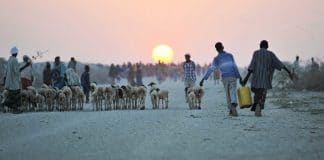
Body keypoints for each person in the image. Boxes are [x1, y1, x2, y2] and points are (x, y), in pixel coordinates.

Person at [241, 40, 293, 117]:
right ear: (267, 46)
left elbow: (251, 67)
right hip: (265, 80)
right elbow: (279, 64)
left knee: (257, 93)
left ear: (260, 46)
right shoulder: (270, 54)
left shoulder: (256, 53)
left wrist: (245, 79)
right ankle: (258, 107)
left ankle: (256, 105)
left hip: (255, 80)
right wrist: (289, 72)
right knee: (262, 95)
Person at [199, 42, 241, 116]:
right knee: (233, 90)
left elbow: (211, 68)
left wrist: (204, 79)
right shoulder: (230, 55)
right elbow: (234, 66)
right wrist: (239, 76)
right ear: (223, 47)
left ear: (216, 49)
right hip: (233, 76)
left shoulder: (216, 58)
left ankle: (231, 109)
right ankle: (234, 103)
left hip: (225, 77)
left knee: (227, 93)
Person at [3, 47, 30, 113]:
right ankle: (14, 109)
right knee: (16, 96)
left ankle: (9, 106)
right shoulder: (15, 60)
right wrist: (26, 66)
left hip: (9, 81)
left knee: (11, 95)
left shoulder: (9, 60)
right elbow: (16, 71)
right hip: (14, 82)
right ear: (16, 53)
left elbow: (6, 72)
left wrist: (4, 80)